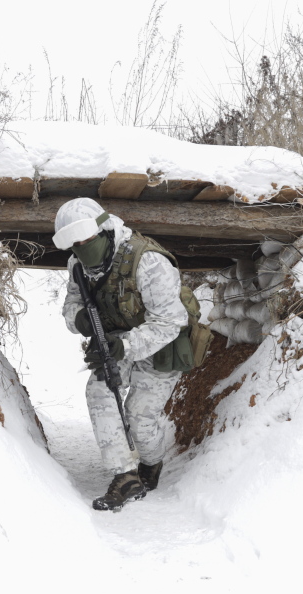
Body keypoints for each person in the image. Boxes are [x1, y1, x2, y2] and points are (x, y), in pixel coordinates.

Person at [52, 197, 198, 511]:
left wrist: (127, 346)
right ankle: (125, 475)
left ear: (104, 230)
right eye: (75, 244)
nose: (82, 248)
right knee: (99, 392)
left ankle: (152, 463)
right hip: (116, 341)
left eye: (87, 240)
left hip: (164, 343)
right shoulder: (78, 265)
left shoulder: (148, 261)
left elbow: (171, 320)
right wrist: (80, 321)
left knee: (140, 416)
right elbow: (72, 307)